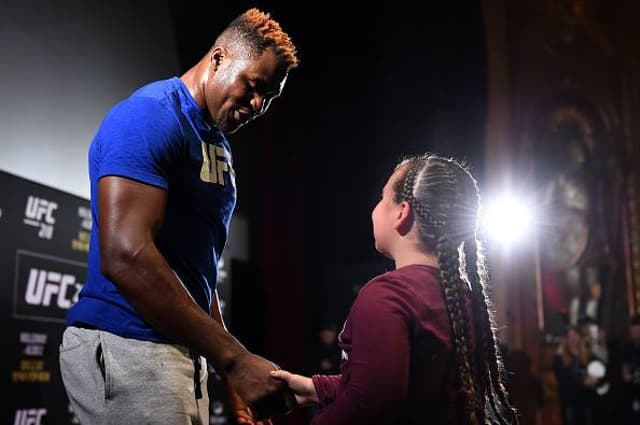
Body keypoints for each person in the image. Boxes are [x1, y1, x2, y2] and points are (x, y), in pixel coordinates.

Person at [58, 8, 298, 425]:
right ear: (220, 57)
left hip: (182, 350)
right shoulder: (149, 116)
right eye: (254, 86)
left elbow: (197, 274)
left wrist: (230, 375)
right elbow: (126, 255)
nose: (258, 105)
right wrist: (236, 360)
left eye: (269, 98)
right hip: (127, 343)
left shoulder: (216, 144)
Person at [271, 154, 519, 424]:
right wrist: (317, 388)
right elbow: (401, 385)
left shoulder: (387, 297)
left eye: (382, 197)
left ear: (402, 212)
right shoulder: (465, 300)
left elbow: (369, 407)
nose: (375, 208)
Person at [620, 314, 640, 424]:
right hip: (631, 392)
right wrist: (628, 376)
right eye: (633, 330)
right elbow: (625, 374)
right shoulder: (625, 347)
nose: (635, 333)